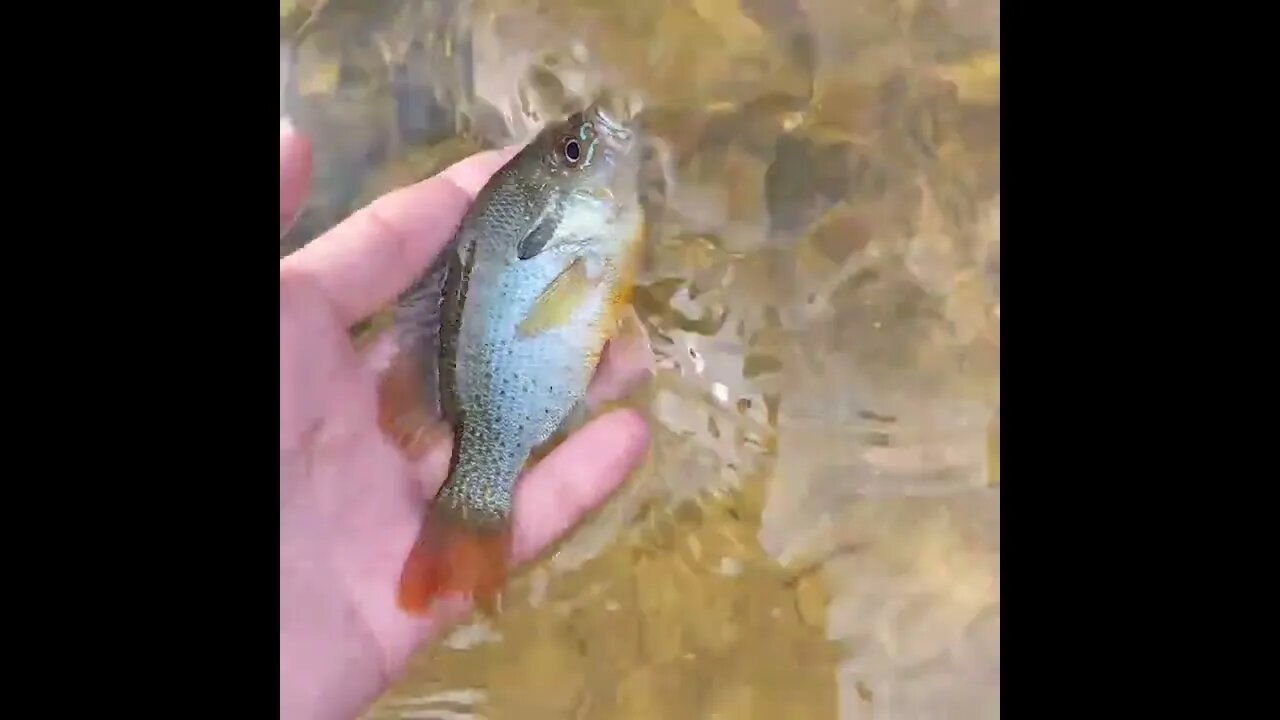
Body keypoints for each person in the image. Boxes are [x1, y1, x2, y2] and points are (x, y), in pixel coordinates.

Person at [279, 120, 653, 720]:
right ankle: (471, 538)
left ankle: (467, 557)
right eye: (576, 153)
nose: (596, 146)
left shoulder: (584, 233)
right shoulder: (586, 236)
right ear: (550, 206)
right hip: (508, 389)